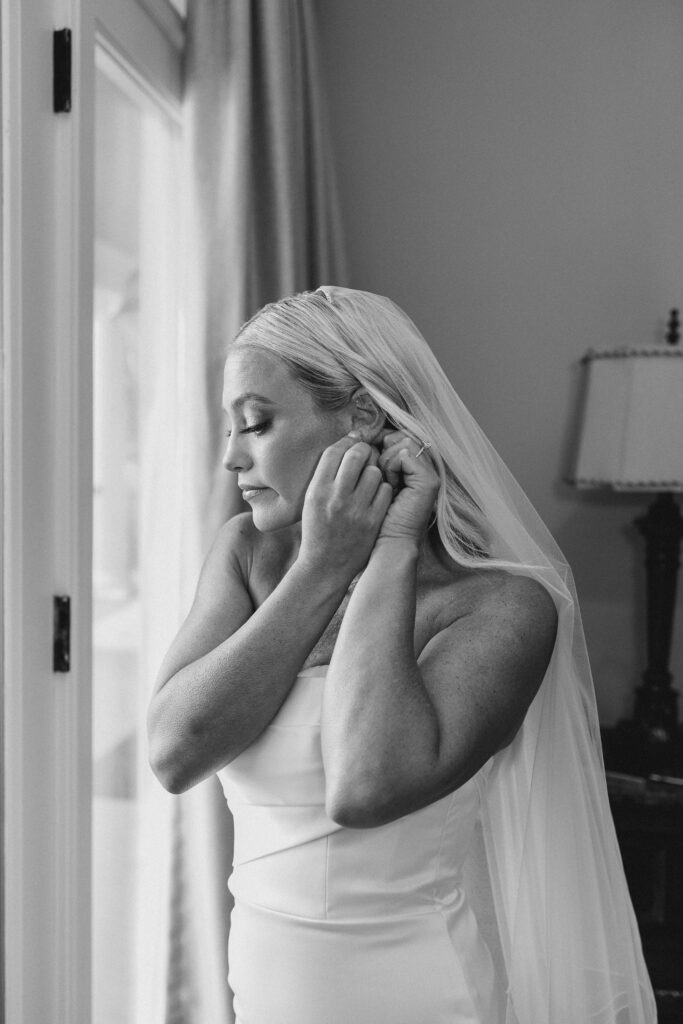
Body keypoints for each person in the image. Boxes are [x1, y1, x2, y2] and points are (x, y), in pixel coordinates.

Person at [147, 286, 656, 1024]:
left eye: (255, 423)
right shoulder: (247, 557)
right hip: (262, 998)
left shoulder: (502, 606)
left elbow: (366, 788)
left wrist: (381, 549)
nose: (231, 457)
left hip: (420, 994)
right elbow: (173, 753)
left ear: (361, 419)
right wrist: (320, 569)